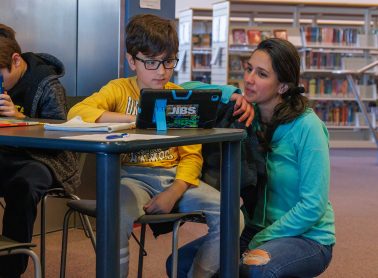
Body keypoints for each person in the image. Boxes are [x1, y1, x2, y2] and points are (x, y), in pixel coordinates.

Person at [68, 14, 252, 278]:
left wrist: (174, 192)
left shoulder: (179, 96)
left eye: (168, 62)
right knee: (116, 218)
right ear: (132, 61)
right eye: (151, 62)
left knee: (233, 215)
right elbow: (78, 111)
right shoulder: (118, 90)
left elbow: (192, 156)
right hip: (132, 180)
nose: (161, 71)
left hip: (178, 180)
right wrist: (136, 119)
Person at [239, 38, 335, 277]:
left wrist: (260, 239)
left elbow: (313, 206)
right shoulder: (248, 118)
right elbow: (190, 89)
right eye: (249, 68)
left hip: (307, 236)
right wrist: (230, 93)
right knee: (186, 262)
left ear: (282, 86)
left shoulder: (308, 127)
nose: (249, 79)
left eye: (261, 74)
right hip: (255, 227)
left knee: (256, 270)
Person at [0, 23, 79, 277]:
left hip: (45, 160)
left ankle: (10, 268)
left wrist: (19, 119)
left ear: (16, 60)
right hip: (8, 155)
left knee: (23, 185)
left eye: (0, 76)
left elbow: (59, 135)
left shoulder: (47, 85)